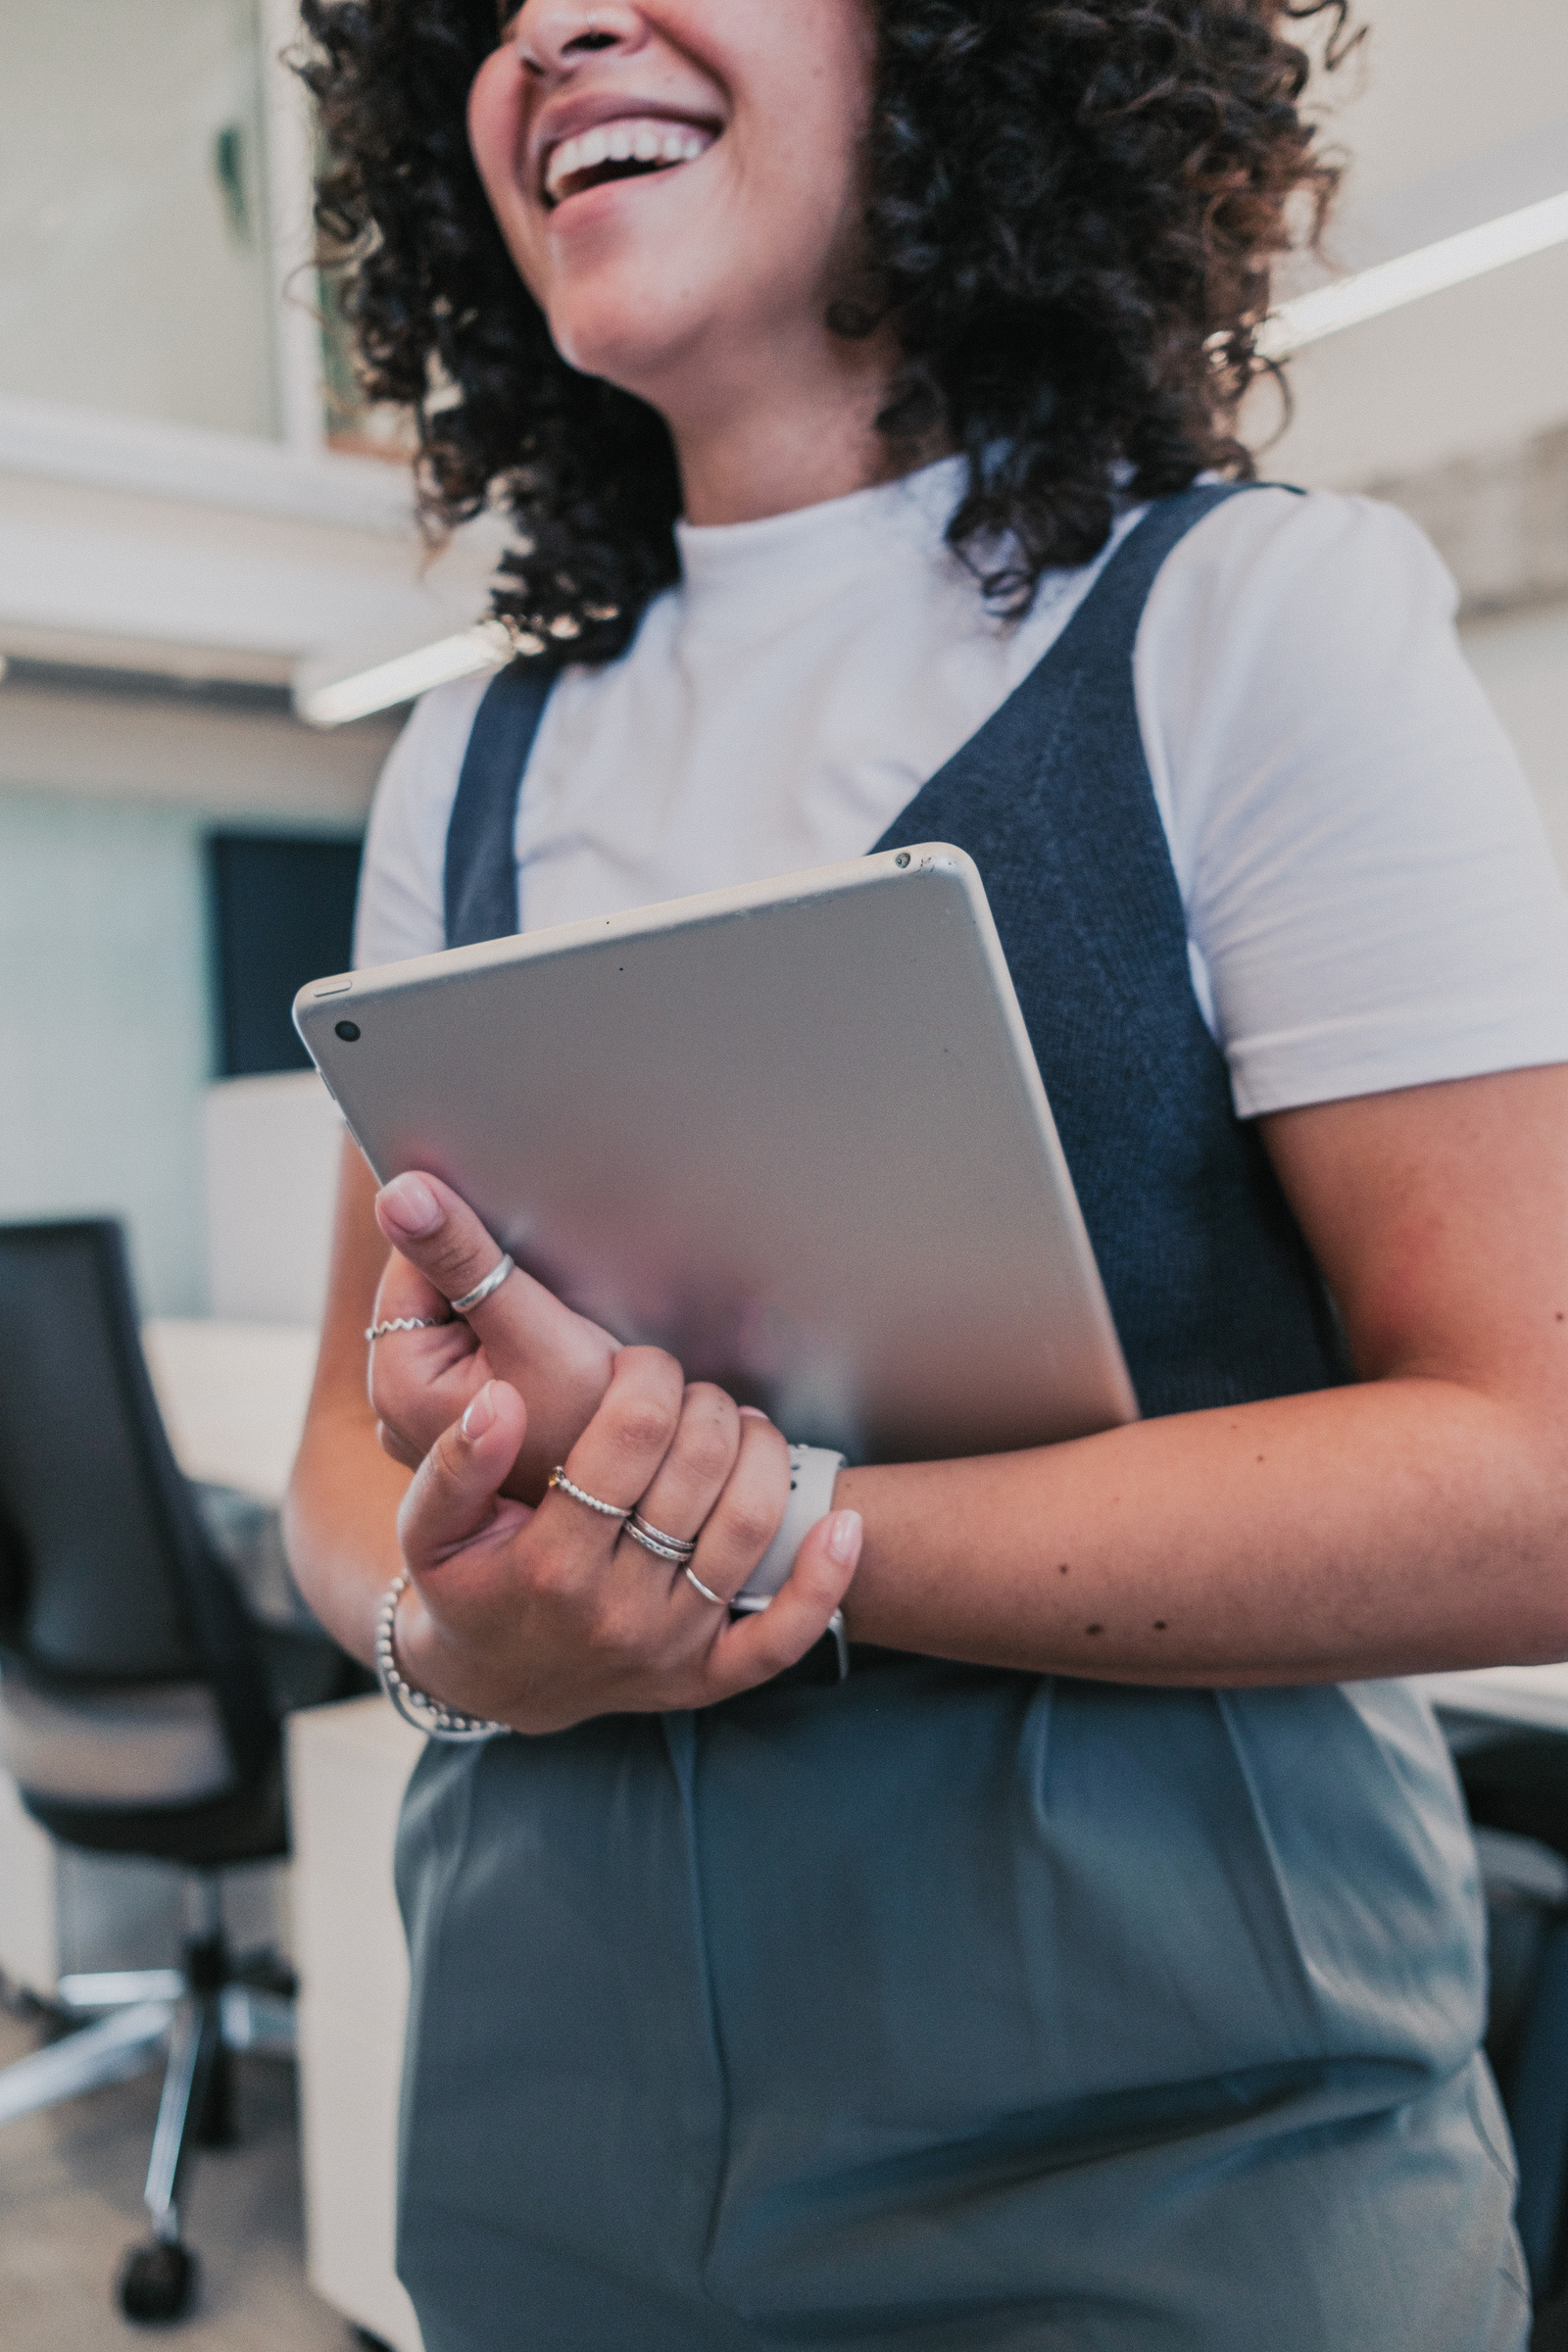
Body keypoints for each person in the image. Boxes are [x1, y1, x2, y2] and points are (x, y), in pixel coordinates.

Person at [286, 2, 1568, 2344]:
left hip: (1172, 2146)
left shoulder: (1252, 626)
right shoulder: (459, 759)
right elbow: (337, 1476)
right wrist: (453, 1635)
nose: (554, 23)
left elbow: (1538, 1472)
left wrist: (774, 1539)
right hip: (544, 2119)